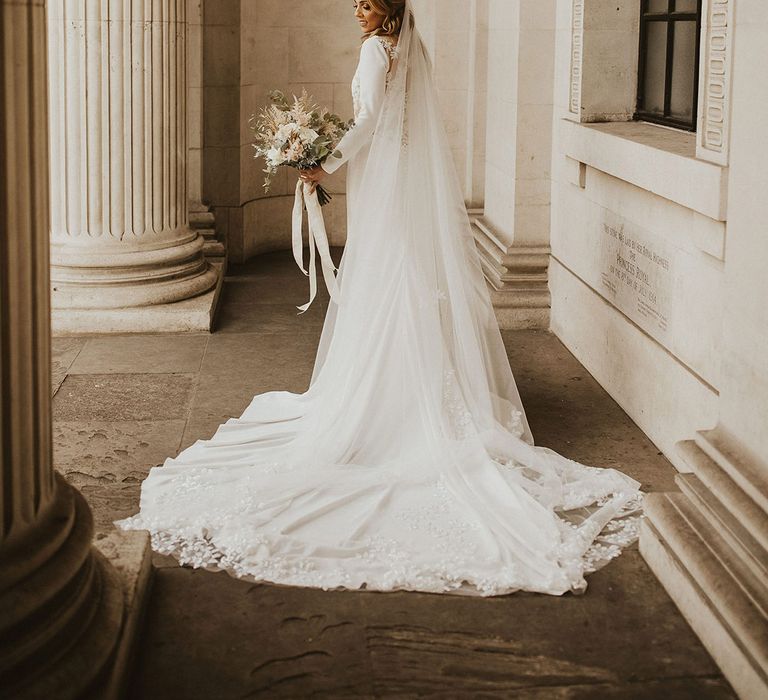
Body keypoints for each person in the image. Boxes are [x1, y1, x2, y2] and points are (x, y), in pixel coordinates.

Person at [117, 0, 642, 596]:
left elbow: (366, 120)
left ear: (387, 6)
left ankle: (383, 405)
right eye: (357, 4)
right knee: (407, 282)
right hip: (406, 187)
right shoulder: (411, 48)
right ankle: (415, 392)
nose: (357, 13)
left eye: (367, 3)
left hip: (385, 187)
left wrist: (322, 164)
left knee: (385, 280)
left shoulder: (375, 50)